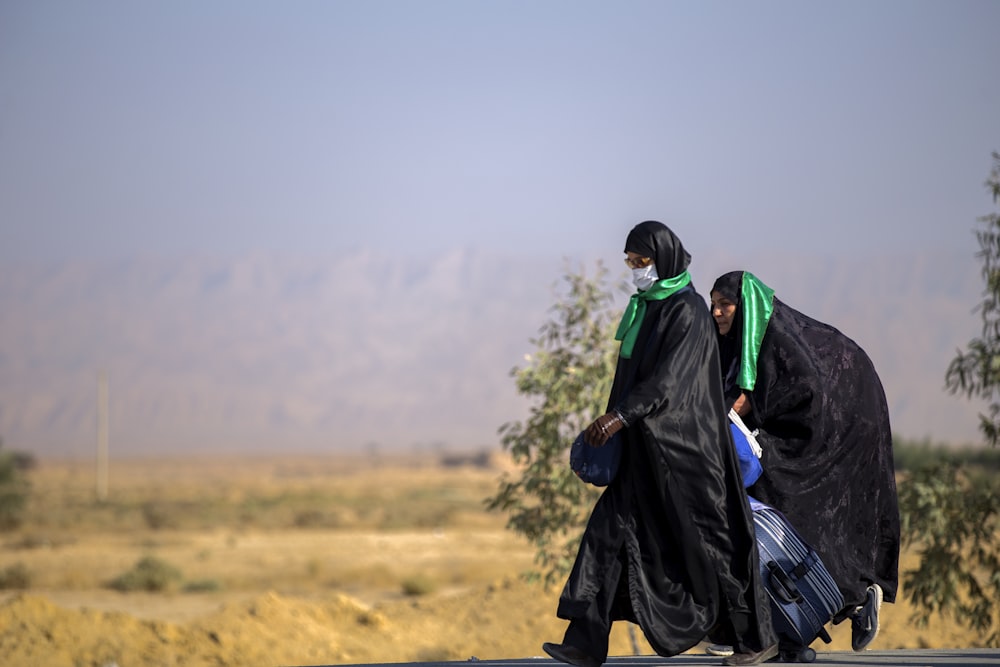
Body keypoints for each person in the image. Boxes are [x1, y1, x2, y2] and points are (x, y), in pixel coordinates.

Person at [542, 221, 778, 667]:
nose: (636, 270)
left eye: (642, 262)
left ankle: (756, 639)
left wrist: (617, 418)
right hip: (644, 451)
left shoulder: (686, 311)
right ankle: (585, 639)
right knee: (607, 534)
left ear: (664, 259)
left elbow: (667, 382)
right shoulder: (646, 310)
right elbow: (629, 379)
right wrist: (617, 426)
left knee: (717, 545)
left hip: (688, 454)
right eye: (630, 262)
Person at [709, 270, 900, 652]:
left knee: (782, 510)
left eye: (725, 304)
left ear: (745, 306)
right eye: (712, 304)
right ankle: (767, 629)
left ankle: (850, 599)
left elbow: (749, 399)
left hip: (836, 434)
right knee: (782, 520)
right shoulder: (735, 344)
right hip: (799, 431)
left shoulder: (778, 339)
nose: (716, 312)